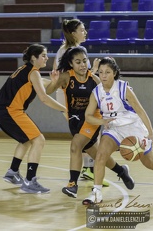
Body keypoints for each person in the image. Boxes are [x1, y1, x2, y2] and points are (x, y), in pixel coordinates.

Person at [82, 57, 153, 205]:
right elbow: (88, 116)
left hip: (133, 127)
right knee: (100, 155)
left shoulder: (123, 88)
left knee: (149, 163)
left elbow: (140, 110)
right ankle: (97, 192)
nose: (103, 75)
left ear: (114, 73)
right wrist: (102, 121)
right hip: (113, 128)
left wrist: (151, 134)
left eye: (107, 72)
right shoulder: (96, 92)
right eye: (101, 72)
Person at [46, 47, 134, 198]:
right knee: (97, 154)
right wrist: (54, 83)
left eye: (84, 61)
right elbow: (47, 92)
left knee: (75, 146)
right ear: (71, 63)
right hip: (74, 121)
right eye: (78, 62)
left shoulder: (94, 79)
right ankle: (121, 171)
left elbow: (110, 91)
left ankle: (72, 184)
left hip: (91, 119)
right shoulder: (66, 77)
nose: (82, 65)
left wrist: (123, 92)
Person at [0, 44, 67, 194]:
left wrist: (55, 81)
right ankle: (30, 181)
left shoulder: (27, 71)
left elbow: (48, 87)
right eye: (44, 55)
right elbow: (44, 98)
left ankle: (13, 172)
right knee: (39, 140)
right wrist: (64, 109)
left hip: (2, 110)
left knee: (26, 140)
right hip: (9, 111)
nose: (47, 57)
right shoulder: (33, 73)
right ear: (34, 58)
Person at [53, 18, 101, 184]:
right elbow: (75, 78)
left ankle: (89, 169)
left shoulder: (63, 50)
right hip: (73, 99)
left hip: (69, 99)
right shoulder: (74, 52)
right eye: (82, 29)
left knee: (84, 137)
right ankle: (91, 169)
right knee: (86, 136)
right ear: (73, 33)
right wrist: (94, 70)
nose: (85, 32)